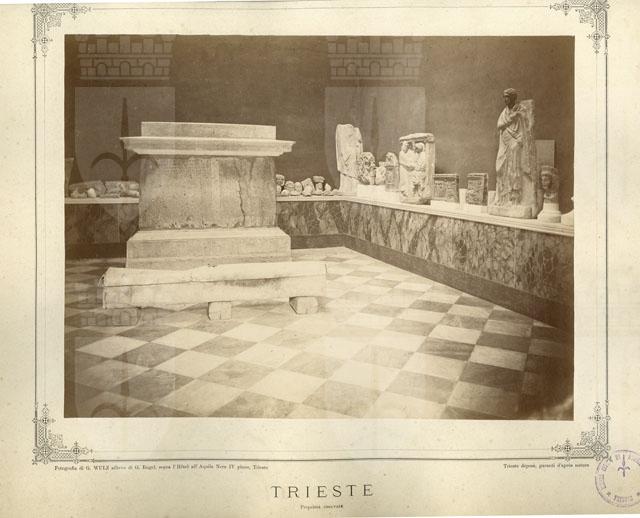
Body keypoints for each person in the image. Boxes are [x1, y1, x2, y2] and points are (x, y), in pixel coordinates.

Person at [494, 88, 535, 206]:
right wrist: (512, 117)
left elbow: (527, 126)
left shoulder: (521, 109)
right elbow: (499, 125)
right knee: (500, 168)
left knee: (513, 169)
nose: (505, 100)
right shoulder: (504, 112)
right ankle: (502, 197)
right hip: (504, 144)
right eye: (504, 97)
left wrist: (519, 141)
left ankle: (514, 198)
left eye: (507, 97)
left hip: (515, 142)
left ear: (513, 98)